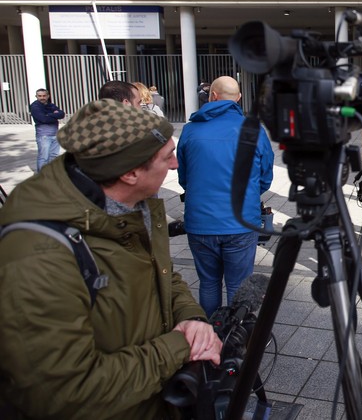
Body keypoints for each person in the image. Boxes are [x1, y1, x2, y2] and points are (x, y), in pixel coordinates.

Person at [0, 99, 221, 418]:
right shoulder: (36, 258)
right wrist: (178, 347)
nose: (175, 165)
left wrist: (192, 320)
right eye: (167, 157)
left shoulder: (133, 206)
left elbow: (163, 275)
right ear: (131, 173)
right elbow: (65, 394)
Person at [177, 76, 274, 317]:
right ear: (239, 99)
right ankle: (235, 338)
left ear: (212, 96)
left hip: (200, 223)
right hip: (240, 222)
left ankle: (210, 335)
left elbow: (184, 177)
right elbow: (265, 177)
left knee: (208, 282)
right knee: (238, 285)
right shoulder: (254, 131)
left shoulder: (190, 130)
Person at [29, 88, 65, 172]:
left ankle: (51, 175)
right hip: (44, 136)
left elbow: (62, 114)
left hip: (55, 135)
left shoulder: (51, 105)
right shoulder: (35, 106)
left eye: (44, 96)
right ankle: (41, 177)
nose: (42, 97)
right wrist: (54, 115)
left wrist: (48, 115)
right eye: (40, 96)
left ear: (48, 96)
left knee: (54, 156)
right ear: (36, 96)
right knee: (43, 157)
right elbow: (43, 119)